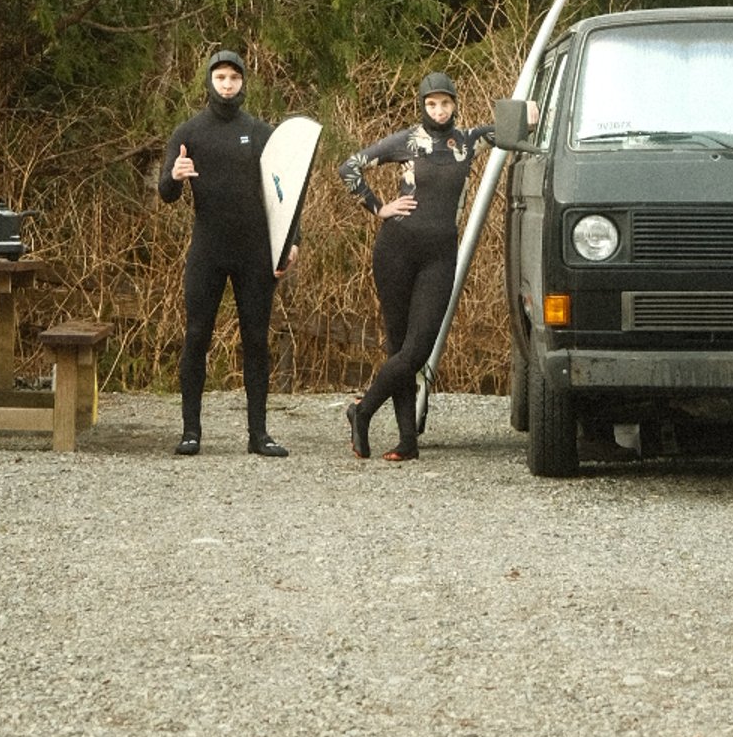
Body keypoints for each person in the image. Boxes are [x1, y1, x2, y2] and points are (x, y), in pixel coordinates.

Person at [336, 71, 493, 461]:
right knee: (398, 345)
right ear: (422, 106)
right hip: (396, 249)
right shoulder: (406, 140)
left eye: (445, 103)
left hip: (440, 254)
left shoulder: (468, 141)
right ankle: (408, 441)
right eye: (431, 104)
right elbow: (349, 167)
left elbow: (514, 131)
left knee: (417, 349)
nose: (439, 110)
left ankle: (362, 411)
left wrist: (533, 112)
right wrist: (379, 207)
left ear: (455, 104)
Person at [157, 49, 297, 457]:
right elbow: (166, 193)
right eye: (220, 78)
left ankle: (258, 434)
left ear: (243, 82)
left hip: (255, 251)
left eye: (234, 78)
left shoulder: (260, 132)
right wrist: (174, 176)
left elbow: (285, 193)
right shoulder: (189, 132)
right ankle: (190, 432)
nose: (228, 85)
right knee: (197, 335)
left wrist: (292, 241)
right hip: (209, 249)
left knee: (255, 339)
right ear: (210, 82)